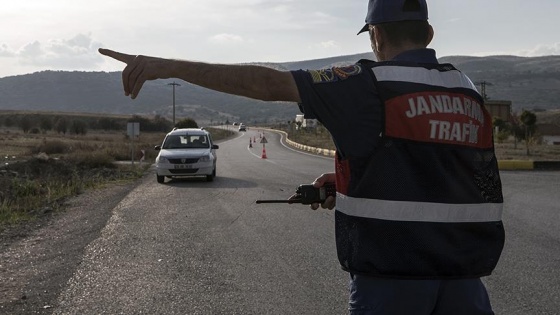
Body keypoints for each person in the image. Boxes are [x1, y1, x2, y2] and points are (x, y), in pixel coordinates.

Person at [99, 0, 504, 313]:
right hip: (465, 281)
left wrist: (162, 65)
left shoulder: (366, 85)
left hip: (392, 280)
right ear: (429, 33)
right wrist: (344, 185)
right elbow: (436, 170)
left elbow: (265, 82)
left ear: (375, 35)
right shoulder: (466, 91)